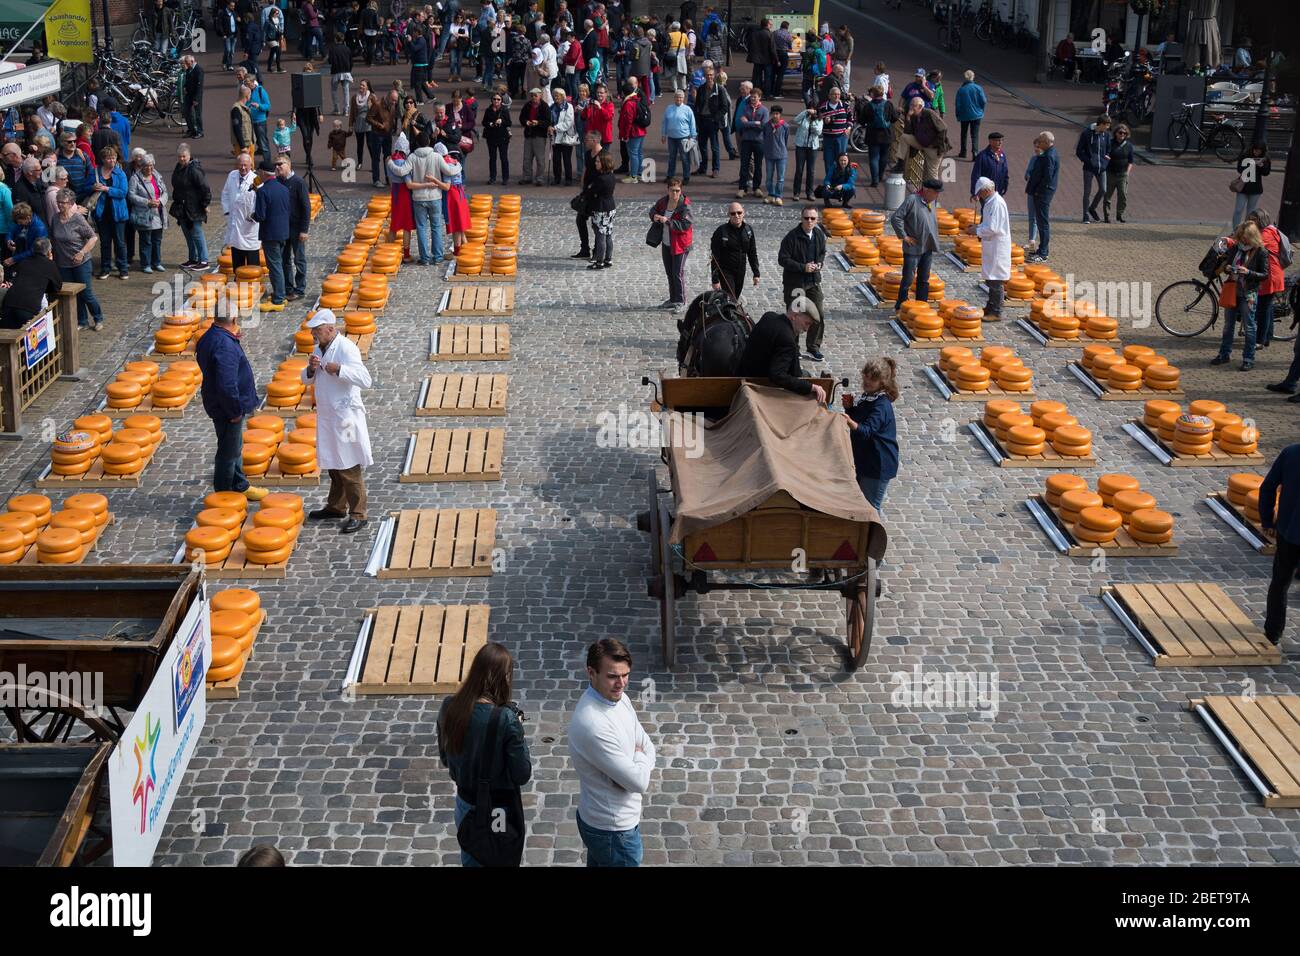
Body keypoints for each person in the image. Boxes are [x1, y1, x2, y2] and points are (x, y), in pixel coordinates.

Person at [437, 641, 533, 867]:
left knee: (471, 858)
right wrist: (517, 731)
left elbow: (445, 758)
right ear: (504, 678)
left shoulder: (449, 706)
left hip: (465, 804)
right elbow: (522, 774)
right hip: (497, 811)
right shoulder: (505, 719)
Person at [567, 638, 656, 868]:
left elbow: (647, 744)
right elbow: (639, 781)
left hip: (607, 825)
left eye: (625, 675)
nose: (621, 683)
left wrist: (638, 759)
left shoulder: (621, 700)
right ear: (591, 672)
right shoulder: (593, 724)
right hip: (613, 832)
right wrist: (638, 759)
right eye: (613, 676)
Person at [302, 310, 373, 533]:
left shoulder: (346, 348)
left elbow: (365, 379)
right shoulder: (319, 348)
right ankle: (336, 506)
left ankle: (359, 513)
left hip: (345, 417)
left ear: (331, 329)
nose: (314, 334)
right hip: (328, 415)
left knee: (349, 464)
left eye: (317, 330)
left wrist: (340, 369)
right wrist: (312, 368)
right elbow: (305, 379)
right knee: (333, 463)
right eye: (313, 331)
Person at [195, 303, 265, 500]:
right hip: (227, 407)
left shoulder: (209, 337)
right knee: (228, 451)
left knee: (234, 446)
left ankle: (240, 484)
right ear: (234, 320)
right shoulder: (224, 345)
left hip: (216, 402)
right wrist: (234, 411)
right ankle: (224, 495)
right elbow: (227, 384)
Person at [840, 357, 899, 512]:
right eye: (866, 376)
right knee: (859, 502)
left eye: (872, 379)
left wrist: (849, 421)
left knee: (870, 508)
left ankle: (874, 536)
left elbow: (866, 430)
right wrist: (850, 409)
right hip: (866, 459)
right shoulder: (869, 396)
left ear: (882, 382)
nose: (867, 381)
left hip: (878, 463)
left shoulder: (881, 405)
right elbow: (861, 419)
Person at [736, 306, 827, 401]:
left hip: (744, 371)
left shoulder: (769, 316)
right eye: (807, 323)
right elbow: (777, 375)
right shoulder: (787, 339)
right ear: (795, 316)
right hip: (760, 384)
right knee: (806, 376)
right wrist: (811, 387)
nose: (807, 329)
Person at [1211, 221, 1269, 371]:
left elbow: (1265, 274)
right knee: (1228, 325)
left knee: (1249, 327)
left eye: (1245, 238)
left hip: (1248, 293)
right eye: (1241, 237)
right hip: (1232, 291)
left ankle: (1248, 358)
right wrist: (1228, 268)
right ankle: (1224, 354)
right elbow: (1227, 266)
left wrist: (1248, 272)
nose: (1243, 240)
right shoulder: (1236, 247)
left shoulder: (1261, 251)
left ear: (1252, 237)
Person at [1260, 443, 1300, 646]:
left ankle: (1273, 633)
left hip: (1289, 532)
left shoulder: (1291, 453)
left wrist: (1267, 520)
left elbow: (1267, 487)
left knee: (1280, 583)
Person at [776, 205, 827, 360]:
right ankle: (793, 348)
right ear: (801, 219)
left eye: (813, 218)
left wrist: (819, 264)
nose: (809, 221)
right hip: (795, 283)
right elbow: (783, 259)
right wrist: (803, 267)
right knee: (794, 316)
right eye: (806, 218)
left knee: (818, 315)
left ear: (817, 220)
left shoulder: (818, 234)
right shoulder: (792, 237)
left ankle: (813, 346)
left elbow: (822, 253)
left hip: (813, 282)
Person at [890, 177, 943, 312]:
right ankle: (901, 304)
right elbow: (896, 217)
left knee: (924, 278)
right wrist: (904, 236)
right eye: (935, 192)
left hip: (927, 247)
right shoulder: (912, 200)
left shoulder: (932, 201)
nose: (937, 195)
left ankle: (922, 305)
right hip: (913, 248)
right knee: (908, 277)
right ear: (926, 190)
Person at [49, 194, 100, 333]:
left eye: (63, 203)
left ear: (71, 203)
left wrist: (82, 252)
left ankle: (98, 318)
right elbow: (53, 238)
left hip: (81, 262)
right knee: (73, 294)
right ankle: (82, 321)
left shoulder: (77, 219)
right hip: (63, 263)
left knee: (86, 293)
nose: (60, 205)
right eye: (58, 202)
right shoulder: (55, 218)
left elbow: (93, 237)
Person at [649, 177, 693, 310]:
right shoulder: (663, 202)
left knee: (677, 273)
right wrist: (654, 216)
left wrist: (667, 221)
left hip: (681, 245)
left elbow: (685, 225)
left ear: (681, 191)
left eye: (677, 191)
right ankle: (673, 299)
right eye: (672, 190)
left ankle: (681, 301)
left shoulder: (685, 206)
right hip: (667, 243)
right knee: (670, 272)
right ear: (667, 190)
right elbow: (653, 210)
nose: (675, 194)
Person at [248, 161, 288, 309]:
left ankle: (278, 299)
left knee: (274, 266)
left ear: (264, 173)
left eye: (259, 172)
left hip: (270, 234)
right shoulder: (283, 189)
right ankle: (281, 293)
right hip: (283, 232)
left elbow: (261, 215)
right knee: (280, 264)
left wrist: (252, 215)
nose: (258, 175)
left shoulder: (264, 191)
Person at [971, 176, 1011, 320]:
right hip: (991, 245)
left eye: (980, 193)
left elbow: (993, 227)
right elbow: (987, 223)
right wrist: (978, 228)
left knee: (996, 279)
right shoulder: (990, 202)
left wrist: (977, 230)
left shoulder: (997, 203)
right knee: (990, 278)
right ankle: (991, 306)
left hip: (997, 245)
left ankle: (996, 311)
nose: (979, 196)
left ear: (987, 190)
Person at [408, 131, 449, 265]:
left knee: (421, 227)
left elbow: (403, 170)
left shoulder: (412, 157)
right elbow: (447, 170)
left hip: (419, 197)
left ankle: (424, 258)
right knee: (436, 227)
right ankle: (438, 256)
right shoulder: (437, 156)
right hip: (435, 196)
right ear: (429, 142)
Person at [0, 237, 60, 328]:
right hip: (28, 307)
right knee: (25, 339)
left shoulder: (24, 262)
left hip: (9, 303)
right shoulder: (50, 265)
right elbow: (57, 287)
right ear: (49, 251)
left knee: (8, 335)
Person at [1249, 209, 1285, 354]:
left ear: (1260, 220)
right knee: (1267, 307)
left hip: (1270, 276)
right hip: (1272, 274)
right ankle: (1267, 336)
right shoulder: (1269, 231)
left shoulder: (1267, 234)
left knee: (1263, 309)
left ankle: (1260, 341)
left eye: (1254, 219)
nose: (1251, 222)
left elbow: (1252, 244)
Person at [91, 146, 129, 280]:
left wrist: (107, 189)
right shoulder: (95, 172)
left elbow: (123, 192)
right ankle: (105, 268)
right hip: (102, 213)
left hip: (118, 213)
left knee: (120, 243)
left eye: (113, 157)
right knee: (105, 243)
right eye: (109, 158)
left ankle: (123, 269)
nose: (112, 160)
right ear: (103, 159)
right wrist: (92, 187)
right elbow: (86, 187)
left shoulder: (120, 174)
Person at [276, 156, 311, 299]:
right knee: (285, 259)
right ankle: (288, 288)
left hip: (297, 228)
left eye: (281, 164)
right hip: (283, 228)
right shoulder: (277, 182)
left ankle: (300, 288)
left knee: (299, 259)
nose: (277, 167)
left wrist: (304, 230)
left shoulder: (298, 182)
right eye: (276, 164)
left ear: (289, 165)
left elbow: (306, 207)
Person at [709, 203, 759, 301]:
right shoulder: (721, 231)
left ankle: (728, 313)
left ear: (743, 213)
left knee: (735, 297)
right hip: (726, 271)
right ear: (728, 215)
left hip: (741, 270)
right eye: (733, 213)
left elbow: (752, 253)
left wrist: (756, 273)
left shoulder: (748, 230)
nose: (736, 215)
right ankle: (730, 314)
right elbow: (715, 257)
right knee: (731, 298)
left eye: (739, 212)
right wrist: (715, 280)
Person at [221, 152, 261, 270]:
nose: (243, 168)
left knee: (252, 263)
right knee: (237, 260)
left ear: (251, 165)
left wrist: (254, 216)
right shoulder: (232, 175)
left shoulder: (256, 180)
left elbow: (261, 201)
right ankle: (238, 281)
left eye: (245, 165)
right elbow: (225, 193)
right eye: (240, 165)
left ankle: (252, 285)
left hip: (249, 226)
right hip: (235, 224)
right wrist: (227, 211)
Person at [899, 95, 948, 187]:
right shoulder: (913, 116)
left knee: (931, 174)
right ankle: (900, 162)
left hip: (933, 148)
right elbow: (908, 132)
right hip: (921, 143)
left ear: (920, 107)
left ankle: (933, 196)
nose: (911, 108)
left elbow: (943, 128)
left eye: (914, 105)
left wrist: (936, 144)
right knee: (904, 137)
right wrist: (908, 118)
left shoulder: (929, 113)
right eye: (910, 105)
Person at [1025, 131, 1058, 263]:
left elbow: (1047, 177)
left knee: (1042, 222)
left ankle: (1043, 252)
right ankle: (1041, 250)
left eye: (1040, 141)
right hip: (1042, 192)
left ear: (1045, 142)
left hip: (1043, 193)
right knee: (1040, 221)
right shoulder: (1050, 153)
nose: (1038, 143)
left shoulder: (1049, 156)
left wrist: (1038, 191)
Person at [692, 63, 729, 179]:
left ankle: (715, 169)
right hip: (702, 120)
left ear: (714, 76)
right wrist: (697, 120)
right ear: (704, 76)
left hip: (713, 122)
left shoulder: (720, 89)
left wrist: (715, 118)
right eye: (707, 75)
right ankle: (703, 168)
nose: (709, 77)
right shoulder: (701, 89)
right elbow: (697, 105)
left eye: (711, 75)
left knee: (714, 147)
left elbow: (724, 107)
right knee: (702, 145)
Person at [582, 151, 617, 268]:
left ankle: (599, 261)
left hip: (601, 208)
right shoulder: (611, 176)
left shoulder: (601, 179)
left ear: (603, 163)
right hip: (610, 207)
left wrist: (589, 190)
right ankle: (608, 259)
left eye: (598, 161)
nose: (596, 163)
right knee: (608, 234)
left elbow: (591, 192)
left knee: (600, 235)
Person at [571, 131, 602, 258]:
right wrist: (582, 185)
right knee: (580, 219)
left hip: (597, 195)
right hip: (587, 193)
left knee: (596, 224)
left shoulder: (603, 155)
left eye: (588, 139)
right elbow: (585, 169)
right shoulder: (588, 154)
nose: (585, 141)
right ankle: (584, 249)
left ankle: (597, 250)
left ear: (595, 141)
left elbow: (606, 175)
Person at [1075, 114, 1111, 223]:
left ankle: (1092, 208)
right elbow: (1079, 151)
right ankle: (1085, 215)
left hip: (1102, 167)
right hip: (1089, 168)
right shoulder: (1086, 134)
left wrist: (1106, 158)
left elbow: (1108, 149)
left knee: (1103, 189)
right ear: (1100, 124)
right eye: (1106, 125)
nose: (1107, 128)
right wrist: (1088, 160)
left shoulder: (1106, 135)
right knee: (1087, 192)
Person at [857, 86, 893, 188]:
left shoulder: (868, 105)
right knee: (884, 157)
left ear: (873, 94)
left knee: (873, 158)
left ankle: (874, 180)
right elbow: (894, 118)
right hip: (886, 134)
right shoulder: (888, 104)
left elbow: (862, 121)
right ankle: (880, 176)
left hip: (873, 135)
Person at [735, 88, 768, 198]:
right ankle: (742, 188)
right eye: (751, 97)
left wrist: (749, 123)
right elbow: (742, 123)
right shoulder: (746, 108)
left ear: (759, 97)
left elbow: (763, 126)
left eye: (755, 97)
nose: (752, 99)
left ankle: (756, 188)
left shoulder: (764, 110)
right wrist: (755, 123)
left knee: (758, 165)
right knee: (744, 164)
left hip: (759, 141)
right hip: (746, 140)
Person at [661, 87, 697, 185]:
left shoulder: (687, 109)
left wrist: (693, 136)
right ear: (674, 98)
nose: (679, 99)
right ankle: (670, 176)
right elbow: (664, 122)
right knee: (671, 157)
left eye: (681, 98)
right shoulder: (669, 108)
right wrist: (663, 134)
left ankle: (686, 177)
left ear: (683, 98)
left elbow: (692, 123)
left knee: (685, 158)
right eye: (677, 97)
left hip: (684, 138)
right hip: (671, 137)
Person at [791, 97, 823, 202]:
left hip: (812, 147)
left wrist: (812, 121)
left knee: (811, 170)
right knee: (799, 169)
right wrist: (805, 112)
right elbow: (795, 120)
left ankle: (809, 193)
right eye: (810, 108)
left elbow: (818, 132)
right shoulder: (804, 116)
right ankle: (796, 193)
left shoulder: (819, 118)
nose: (812, 110)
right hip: (801, 145)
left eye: (814, 108)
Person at [519, 87, 552, 186]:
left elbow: (548, 121)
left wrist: (538, 122)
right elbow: (521, 118)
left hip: (539, 136)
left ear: (540, 96)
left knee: (540, 158)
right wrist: (526, 122)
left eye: (535, 96)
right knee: (527, 158)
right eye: (532, 96)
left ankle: (540, 178)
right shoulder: (527, 105)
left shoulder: (544, 106)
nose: (533, 97)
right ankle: (527, 177)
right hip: (529, 134)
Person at [1233, 143, 1270, 228]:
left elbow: (1266, 172)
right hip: (1243, 187)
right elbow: (1239, 169)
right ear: (1252, 149)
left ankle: (1247, 231)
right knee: (1238, 209)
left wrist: (1261, 166)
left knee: (1251, 212)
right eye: (1255, 150)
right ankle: (1235, 230)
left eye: (1259, 151)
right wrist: (1251, 164)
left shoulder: (1265, 159)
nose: (1256, 153)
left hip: (1255, 188)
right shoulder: (1245, 156)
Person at [1102, 123, 1134, 223]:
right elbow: (1105, 154)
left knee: (1123, 195)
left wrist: (1127, 172)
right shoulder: (1110, 143)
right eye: (1120, 133)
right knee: (1107, 196)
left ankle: (1120, 215)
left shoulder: (1129, 146)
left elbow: (1131, 161)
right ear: (1116, 133)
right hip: (1110, 173)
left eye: (1124, 133)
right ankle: (1107, 216)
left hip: (1123, 175)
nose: (1122, 135)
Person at [818, 85, 852, 177]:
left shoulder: (845, 106)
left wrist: (848, 128)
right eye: (834, 94)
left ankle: (840, 180)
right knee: (828, 160)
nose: (837, 96)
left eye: (838, 94)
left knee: (841, 160)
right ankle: (829, 181)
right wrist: (824, 121)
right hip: (828, 138)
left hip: (841, 137)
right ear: (829, 96)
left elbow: (851, 119)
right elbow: (818, 122)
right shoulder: (823, 107)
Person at [617, 81, 647, 183]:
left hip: (634, 132)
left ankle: (633, 176)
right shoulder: (637, 99)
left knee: (633, 153)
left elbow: (628, 121)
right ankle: (639, 173)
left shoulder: (628, 103)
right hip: (641, 130)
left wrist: (625, 135)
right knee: (639, 153)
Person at [761, 105, 789, 206]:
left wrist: (782, 148)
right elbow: (764, 137)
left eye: (777, 114)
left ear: (780, 115)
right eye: (773, 114)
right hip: (769, 154)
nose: (775, 116)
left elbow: (785, 139)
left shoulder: (785, 126)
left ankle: (778, 196)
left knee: (780, 178)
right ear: (771, 114)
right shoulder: (766, 125)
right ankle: (771, 194)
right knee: (769, 177)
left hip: (781, 155)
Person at [551, 86, 580, 185]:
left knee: (567, 159)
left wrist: (555, 127)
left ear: (563, 96)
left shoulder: (569, 107)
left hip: (566, 136)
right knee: (556, 159)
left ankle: (568, 179)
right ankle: (557, 178)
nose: (555, 97)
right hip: (555, 137)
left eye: (557, 96)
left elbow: (569, 122)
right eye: (554, 95)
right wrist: (549, 127)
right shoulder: (552, 107)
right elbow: (550, 120)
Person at [954, 71, 986, 159]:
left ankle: (963, 151)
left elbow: (958, 104)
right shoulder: (978, 88)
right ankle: (975, 152)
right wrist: (981, 109)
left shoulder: (961, 89)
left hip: (964, 114)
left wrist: (958, 114)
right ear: (973, 77)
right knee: (975, 134)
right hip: (977, 114)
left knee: (963, 133)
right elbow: (983, 101)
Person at [483, 92, 512, 184]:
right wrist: (490, 123)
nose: (496, 101)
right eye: (494, 99)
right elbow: (484, 122)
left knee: (503, 158)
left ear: (501, 101)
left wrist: (502, 121)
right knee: (492, 158)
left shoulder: (504, 110)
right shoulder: (488, 110)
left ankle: (505, 178)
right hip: (491, 137)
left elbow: (509, 123)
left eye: (498, 99)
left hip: (503, 137)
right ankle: (492, 177)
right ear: (492, 100)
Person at [969, 131, 1008, 198]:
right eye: (997, 140)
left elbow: (1005, 172)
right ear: (990, 141)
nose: (1000, 142)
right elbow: (976, 174)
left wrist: (1005, 186)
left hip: (999, 190)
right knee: (987, 208)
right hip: (986, 192)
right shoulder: (982, 156)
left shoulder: (1002, 155)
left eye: (1002, 140)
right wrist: (974, 192)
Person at [746, 17, 775, 95]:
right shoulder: (769, 34)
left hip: (757, 59)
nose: (771, 26)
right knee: (767, 77)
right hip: (767, 59)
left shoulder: (754, 33)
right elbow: (772, 49)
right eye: (770, 24)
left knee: (757, 77)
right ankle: (767, 93)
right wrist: (776, 59)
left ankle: (756, 93)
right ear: (767, 25)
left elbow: (749, 45)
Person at [181, 55, 205, 138]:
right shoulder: (189, 69)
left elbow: (199, 86)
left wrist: (196, 99)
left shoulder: (199, 70)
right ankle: (191, 130)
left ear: (192, 61)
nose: (187, 65)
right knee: (186, 112)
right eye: (186, 63)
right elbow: (187, 80)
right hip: (189, 94)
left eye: (188, 63)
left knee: (197, 114)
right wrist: (184, 86)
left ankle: (200, 131)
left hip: (195, 96)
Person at [231, 84, 256, 160]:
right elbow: (237, 128)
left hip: (249, 143)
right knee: (243, 167)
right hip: (243, 145)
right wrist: (243, 146)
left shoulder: (244, 108)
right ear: (247, 95)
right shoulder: (236, 109)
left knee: (250, 167)